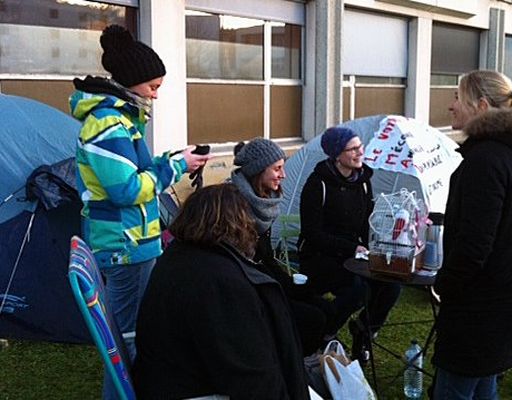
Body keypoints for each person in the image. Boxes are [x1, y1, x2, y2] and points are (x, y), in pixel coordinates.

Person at [69, 25, 208, 399]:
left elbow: (137, 173)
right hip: (125, 245)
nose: (156, 96)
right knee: (126, 339)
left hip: (134, 242)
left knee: (130, 334)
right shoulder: (108, 123)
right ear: (130, 83)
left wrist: (173, 159)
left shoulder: (123, 120)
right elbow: (126, 190)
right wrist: (175, 170)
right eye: (153, 87)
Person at [432, 70, 512, 399]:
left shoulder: (485, 160)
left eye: (458, 98)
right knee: (484, 388)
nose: (451, 106)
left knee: (454, 391)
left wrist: (444, 284)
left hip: (482, 308)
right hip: (505, 300)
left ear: (481, 105)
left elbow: (474, 246)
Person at [133, 184, 309, 400]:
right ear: (236, 224)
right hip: (186, 390)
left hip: (166, 379)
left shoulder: (181, 256)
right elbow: (249, 374)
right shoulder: (218, 280)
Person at [298, 126, 401, 362]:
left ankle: (364, 330)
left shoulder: (363, 181)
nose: (359, 152)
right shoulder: (317, 184)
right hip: (319, 258)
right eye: (352, 149)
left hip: (354, 256)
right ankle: (326, 334)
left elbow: (366, 222)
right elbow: (312, 233)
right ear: (337, 155)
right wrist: (350, 248)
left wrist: (379, 244)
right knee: (358, 288)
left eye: (360, 146)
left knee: (391, 285)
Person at [230, 138, 334, 357]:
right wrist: (281, 288)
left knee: (325, 309)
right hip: (247, 289)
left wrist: (287, 284)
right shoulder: (236, 206)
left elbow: (265, 257)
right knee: (312, 319)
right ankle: (292, 365)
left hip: (264, 277)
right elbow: (245, 263)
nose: (283, 175)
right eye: (277, 169)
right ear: (258, 171)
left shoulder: (261, 201)